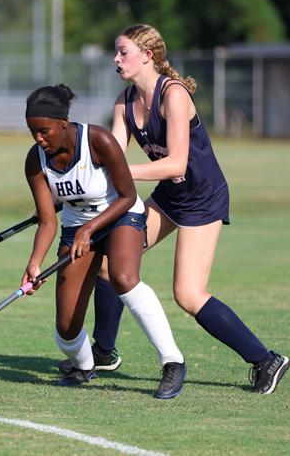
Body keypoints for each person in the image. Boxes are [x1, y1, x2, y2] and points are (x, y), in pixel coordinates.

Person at [59, 24, 290, 395]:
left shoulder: (174, 95)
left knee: (188, 294)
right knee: (108, 265)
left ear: (147, 56)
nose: (116, 59)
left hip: (203, 199)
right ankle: (103, 353)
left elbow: (176, 164)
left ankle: (266, 360)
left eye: (123, 52)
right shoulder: (124, 102)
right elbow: (110, 157)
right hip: (170, 197)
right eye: (116, 52)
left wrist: (122, 173)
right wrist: (76, 182)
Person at [22, 83, 186, 399]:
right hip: (76, 228)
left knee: (123, 278)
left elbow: (127, 196)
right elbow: (47, 220)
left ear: (63, 123)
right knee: (66, 329)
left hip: (121, 215)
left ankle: (172, 362)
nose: (38, 139)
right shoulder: (35, 160)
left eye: (44, 131)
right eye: (33, 132)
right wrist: (35, 263)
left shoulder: (98, 140)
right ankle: (85, 366)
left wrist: (90, 229)